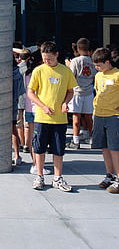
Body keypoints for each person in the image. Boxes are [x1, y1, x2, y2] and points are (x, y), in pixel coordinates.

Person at [27, 41, 77, 192]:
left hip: (60, 119)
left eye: (49, 58)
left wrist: (65, 103)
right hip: (42, 118)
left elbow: (70, 91)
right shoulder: (39, 70)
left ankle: (57, 178)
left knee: (58, 149)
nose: (46, 61)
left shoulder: (65, 71)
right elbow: (31, 92)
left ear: (56, 55)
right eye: (44, 59)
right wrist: (42, 106)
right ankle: (39, 176)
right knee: (39, 148)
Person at [91, 47, 119, 193]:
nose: (97, 68)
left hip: (113, 116)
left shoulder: (117, 75)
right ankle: (110, 175)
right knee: (105, 147)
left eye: (99, 65)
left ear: (107, 62)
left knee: (115, 148)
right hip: (99, 114)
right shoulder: (98, 76)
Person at [67, 38, 95, 149]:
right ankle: (93, 139)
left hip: (77, 92)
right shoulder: (92, 61)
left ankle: (76, 140)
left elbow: (71, 76)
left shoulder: (75, 61)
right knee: (89, 117)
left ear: (78, 49)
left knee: (76, 117)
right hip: (88, 92)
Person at [12, 56, 26, 165]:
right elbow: (21, 90)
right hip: (13, 103)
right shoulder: (18, 73)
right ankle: (17, 155)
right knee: (14, 129)